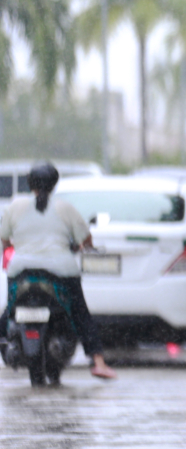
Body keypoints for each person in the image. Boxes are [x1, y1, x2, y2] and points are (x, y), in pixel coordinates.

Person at [0, 161, 116, 380]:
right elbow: (85, 239)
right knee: (80, 312)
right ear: (54, 184)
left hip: (21, 271)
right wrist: (83, 246)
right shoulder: (65, 208)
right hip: (60, 271)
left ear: (29, 182)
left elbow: (5, 239)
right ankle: (98, 362)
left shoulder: (15, 206)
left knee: (10, 311)